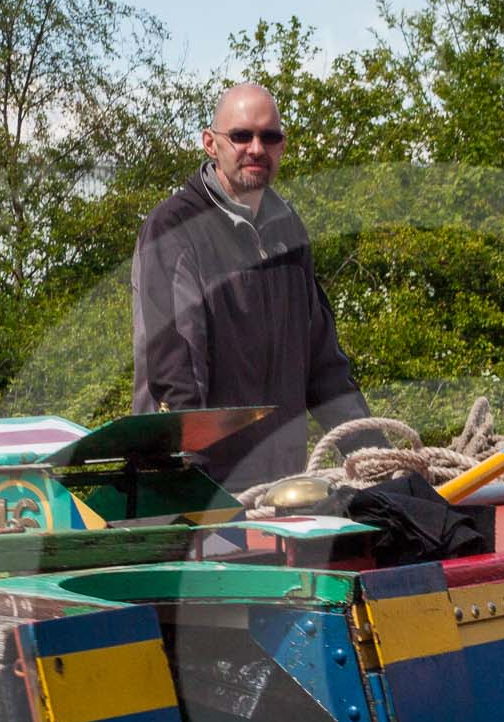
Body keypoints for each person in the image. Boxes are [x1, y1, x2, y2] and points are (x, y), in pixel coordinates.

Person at [131, 83, 370, 493]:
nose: (256, 148)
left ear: (283, 146)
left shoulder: (289, 229)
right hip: (196, 489)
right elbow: (175, 372)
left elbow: (324, 367)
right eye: (241, 135)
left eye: (269, 137)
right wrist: (196, 491)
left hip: (280, 489)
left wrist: (374, 460)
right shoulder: (174, 228)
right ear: (211, 143)